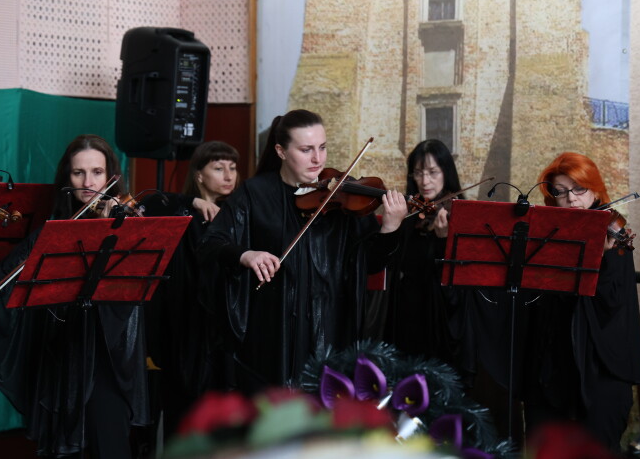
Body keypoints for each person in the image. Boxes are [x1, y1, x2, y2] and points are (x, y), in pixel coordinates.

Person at [0, 134, 147, 459]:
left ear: (111, 176)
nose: (88, 183)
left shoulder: (130, 223)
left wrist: (114, 228)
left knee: (110, 445)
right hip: (63, 360)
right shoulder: (52, 231)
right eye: (78, 173)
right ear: (67, 179)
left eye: (97, 172)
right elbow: (0, 277)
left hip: (109, 358)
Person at [198, 109, 408, 393]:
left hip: (330, 325)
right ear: (281, 151)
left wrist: (390, 228)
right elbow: (211, 243)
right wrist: (246, 255)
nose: (317, 159)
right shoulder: (254, 193)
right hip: (271, 330)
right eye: (306, 149)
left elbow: (369, 264)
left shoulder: (342, 198)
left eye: (322, 147)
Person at [522, 152, 640, 451]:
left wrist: (600, 256)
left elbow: (612, 303)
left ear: (596, 191)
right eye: (561, 192)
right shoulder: (546, 234)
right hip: (552, 365)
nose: (571, 199)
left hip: (600, 367)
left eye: (579, 189)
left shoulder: (613, 233)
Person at [140, 141, 240, 438]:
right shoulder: (182, 211)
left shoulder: (237, 214)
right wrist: (193, 202)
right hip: (183, 326)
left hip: (220, 325)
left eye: (233, 168)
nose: (229, 176)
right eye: (218, 168)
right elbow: (148, 203)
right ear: (199, 175)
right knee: (183, 415)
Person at [384, 139, 474, 379]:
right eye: (418, 173)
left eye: (433, 172)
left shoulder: (459, 214)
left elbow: (460, 284)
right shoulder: (410, 213)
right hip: (407, 313)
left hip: (440, 318)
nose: (424, 181)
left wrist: (444, 241)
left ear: (446, 173)